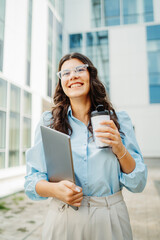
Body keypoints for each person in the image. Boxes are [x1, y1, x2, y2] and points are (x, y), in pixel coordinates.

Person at [24, 52, 147, 240]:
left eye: (79, 69)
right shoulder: (48, 122)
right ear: (61, 83)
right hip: (63, 216)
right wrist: (54, 190)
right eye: (65, 73)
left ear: (90, 75)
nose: (72, 76)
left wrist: (120, 148)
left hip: (110, 216)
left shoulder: (119, 120)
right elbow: (32, 181)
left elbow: (138, 183)